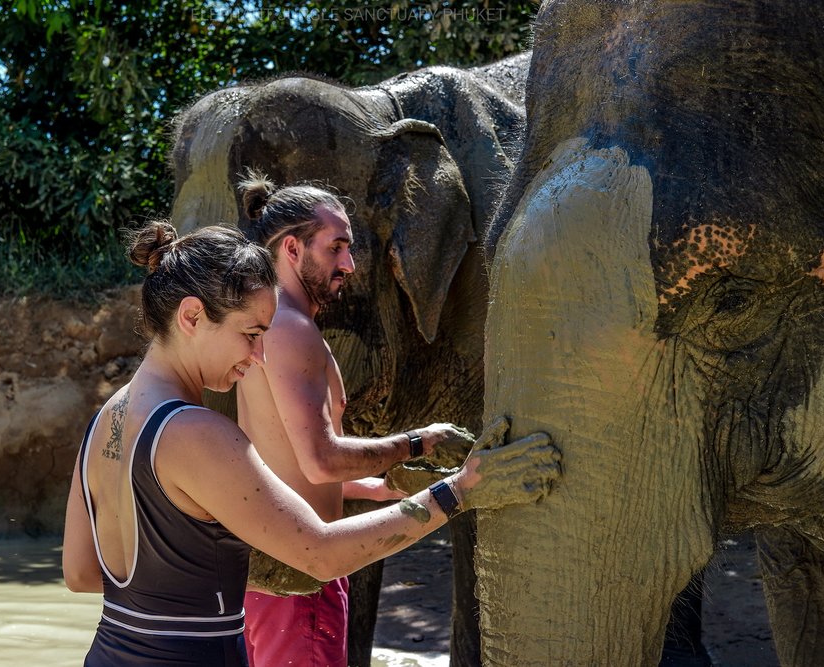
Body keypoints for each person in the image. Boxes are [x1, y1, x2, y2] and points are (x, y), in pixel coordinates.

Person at [62, 221, 562, 667]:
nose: (259, 356)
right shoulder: (196, 432)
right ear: (192, 317)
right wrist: (462, 490)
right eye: (251, 333)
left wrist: (201, 583)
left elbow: (81, 572)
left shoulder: (106, 419)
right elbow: (320, 556)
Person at [233, 173, 472, 667]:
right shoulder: (293, 330)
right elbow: (320, 461)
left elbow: (287, 466)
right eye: (336, 247)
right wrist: (419, 442)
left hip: (271, 572)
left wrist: (378, 490)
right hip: (302, 580)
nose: (350, 264)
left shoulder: (266, 328)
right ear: (293, 250)